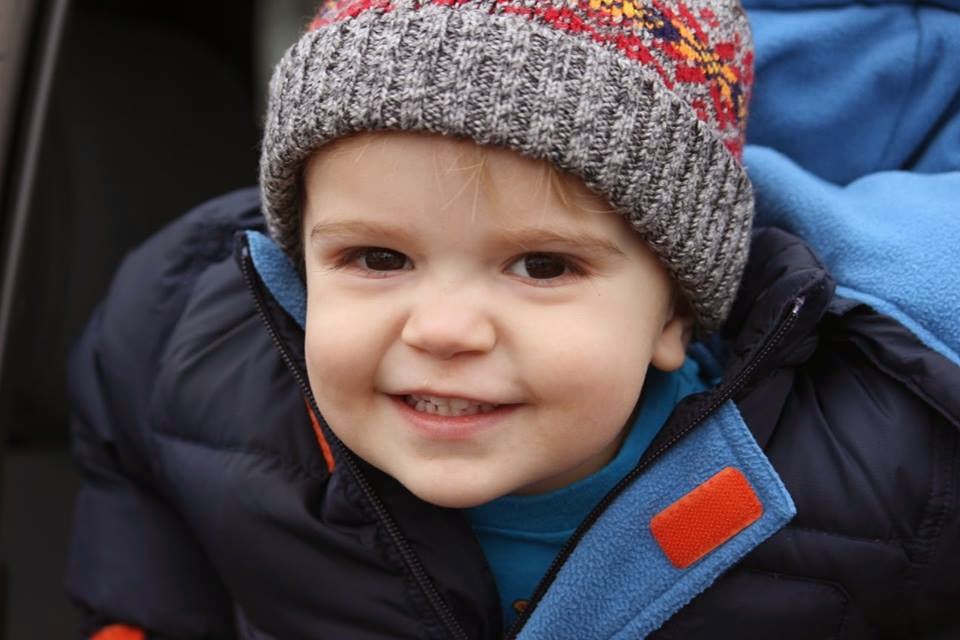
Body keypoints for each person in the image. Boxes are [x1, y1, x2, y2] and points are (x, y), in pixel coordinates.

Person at [65, 0, 960, 637]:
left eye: (542, 266)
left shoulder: (873, 475)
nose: (444, 330)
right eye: (377, 258)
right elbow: (133, 427)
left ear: (675, 316)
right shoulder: (202, 345)